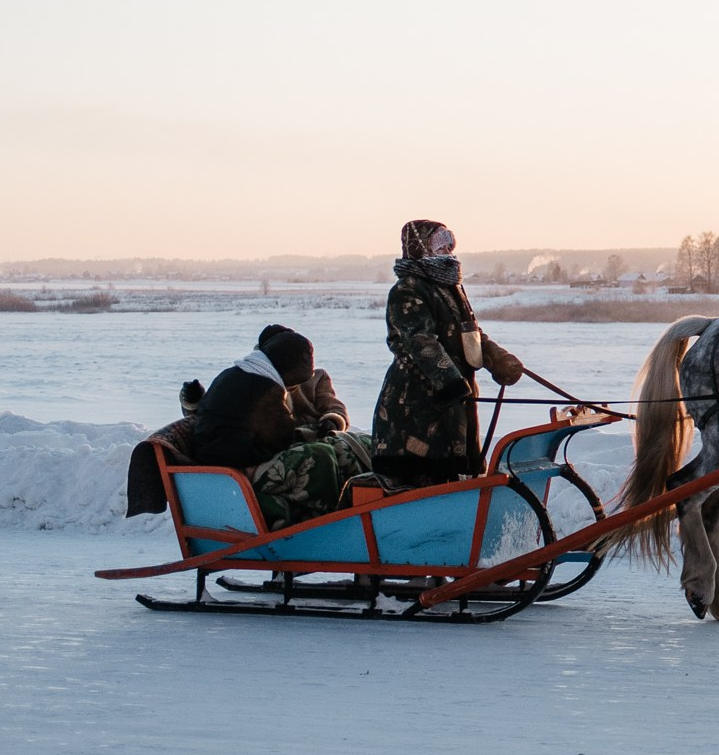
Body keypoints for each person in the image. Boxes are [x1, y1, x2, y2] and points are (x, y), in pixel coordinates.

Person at [372, 219, 525, 490]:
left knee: (458, 476)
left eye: (449, 247)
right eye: (440, 248)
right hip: (417, 403)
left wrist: (499, 360)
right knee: (426, 482)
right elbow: (420, 341)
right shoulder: (408, 288)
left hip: (456, 398)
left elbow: (470, 334)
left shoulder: (451, 288)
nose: (448, 254)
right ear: (421, 249)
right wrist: (451, 381)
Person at [189, 324, 372, 526]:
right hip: (236, 465)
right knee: (319, 457)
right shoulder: (264, 388)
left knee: (337, 447)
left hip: (236, 454)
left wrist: (325, 425)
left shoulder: (244, 373)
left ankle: (358, 500)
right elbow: (281, 436)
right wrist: (308, 434)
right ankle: (325, 522)